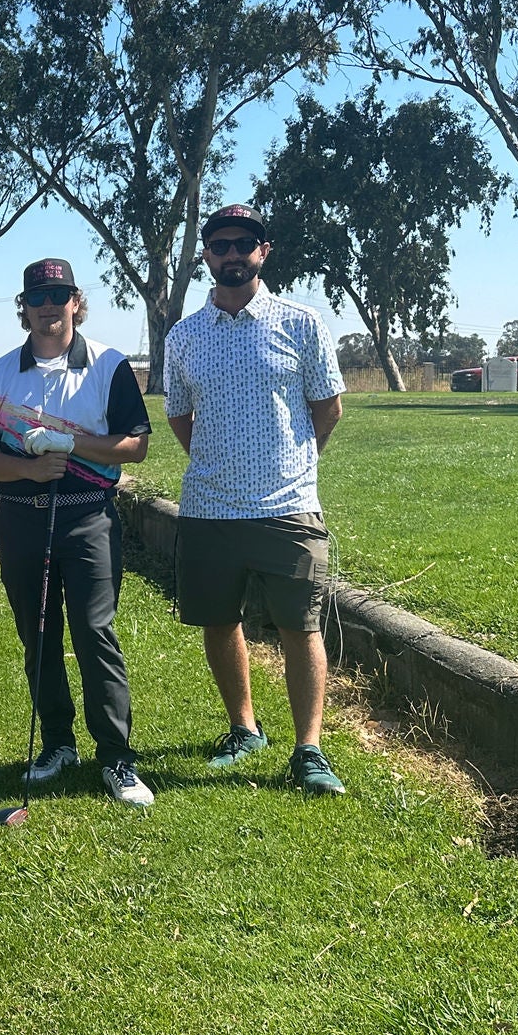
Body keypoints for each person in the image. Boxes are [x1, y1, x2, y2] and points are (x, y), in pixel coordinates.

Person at [163, 203, 348, 795]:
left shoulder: (303, 322)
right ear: (206, 257)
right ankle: (244, 729)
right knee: (220, 622)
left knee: (301, 627)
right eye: (219, 245)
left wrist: (294, 463)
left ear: (263, 252)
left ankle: (308, 749)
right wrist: (216, 464)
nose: (232, 254)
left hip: (287, 507)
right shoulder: (183, 336)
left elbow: (327, 408)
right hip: (209, 509)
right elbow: (179, 416)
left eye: (244, 244)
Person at [0, 259, 155, 808]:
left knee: (95, 632)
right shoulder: (0, 373)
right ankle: (57, 744)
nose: (48, 305)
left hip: (88, 515)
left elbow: (135, 445)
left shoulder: (109, 365)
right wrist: (28, 469)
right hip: (22, 517)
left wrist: (71, 444)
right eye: (38, 296)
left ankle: (115, 757)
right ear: (23, 307)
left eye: (59, 294)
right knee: (39, 633)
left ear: (76, 302)